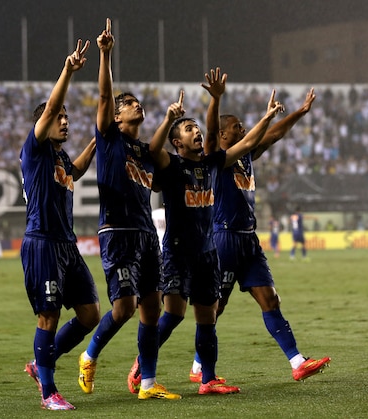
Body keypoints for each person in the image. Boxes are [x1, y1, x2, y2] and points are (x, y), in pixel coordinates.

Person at [126, 68, 283, 395]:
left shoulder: (213, 164)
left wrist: (266, 117)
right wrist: (209, 102)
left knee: (208, 318)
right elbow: (160, 151)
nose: (195, 132)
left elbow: (249, 142)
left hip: (207, 253)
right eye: (188, 129)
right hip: (179, 252)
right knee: (172, 315)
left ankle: (208, 380)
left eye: (196, 128)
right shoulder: (171, 166)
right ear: (176, 141)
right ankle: (142, 367)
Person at [189, 87, 330, 383]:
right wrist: (225, 103)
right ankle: (198, 366)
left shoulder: (246, 156)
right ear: (224, 135)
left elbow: (274, 135)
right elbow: (214, 130)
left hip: (249, 240)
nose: (242, 129)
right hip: (224, 238)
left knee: (270, 299)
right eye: (236, 126)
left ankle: (297, 362)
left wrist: (300, 113)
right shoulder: (218, 157)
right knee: (215, 308)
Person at [77, 19, 181, 400]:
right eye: (127, 105)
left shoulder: (145, 153)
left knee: (151, 309)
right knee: (123, 308)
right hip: (117, 232)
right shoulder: (108, 139)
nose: (135, 106)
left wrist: (170, 118)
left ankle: (148, 384)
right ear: (117, 117)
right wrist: (106, 55)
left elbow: (159, 150)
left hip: (145, 235)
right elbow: (104, 99)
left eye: (137, 103)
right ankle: (89, 356)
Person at [20, 39, 101, 411]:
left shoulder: (60, 156)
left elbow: (77, 171)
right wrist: (68, 69)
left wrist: (100, 138)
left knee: (89, 315)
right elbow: (51, 104)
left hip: (67, 245)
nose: (64, 121)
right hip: (43, 243)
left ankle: (41, 364)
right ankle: (48, 393)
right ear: (44, 122)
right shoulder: (35, 149)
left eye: (67, 118)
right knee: (49, 315)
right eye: (59, 118)